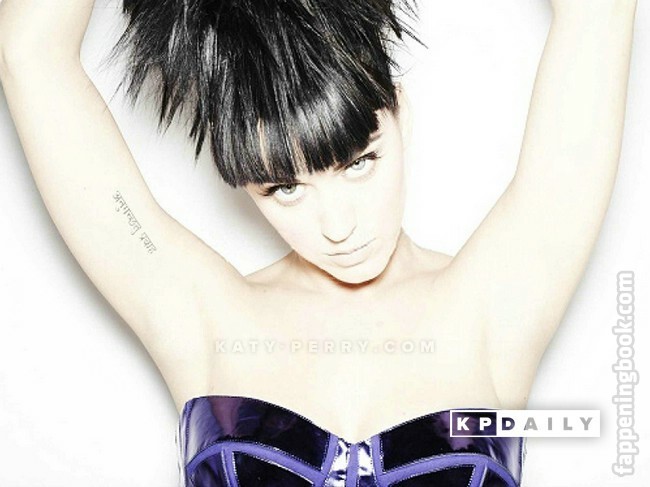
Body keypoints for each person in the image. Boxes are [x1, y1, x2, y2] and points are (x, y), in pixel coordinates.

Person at [0, 0, 639, 485]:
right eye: (284, 188)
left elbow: (600, 11)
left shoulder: (495, 304)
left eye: (359, 162)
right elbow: (31, 51)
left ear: (400, 112)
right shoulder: (203, 318)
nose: (338, 226)